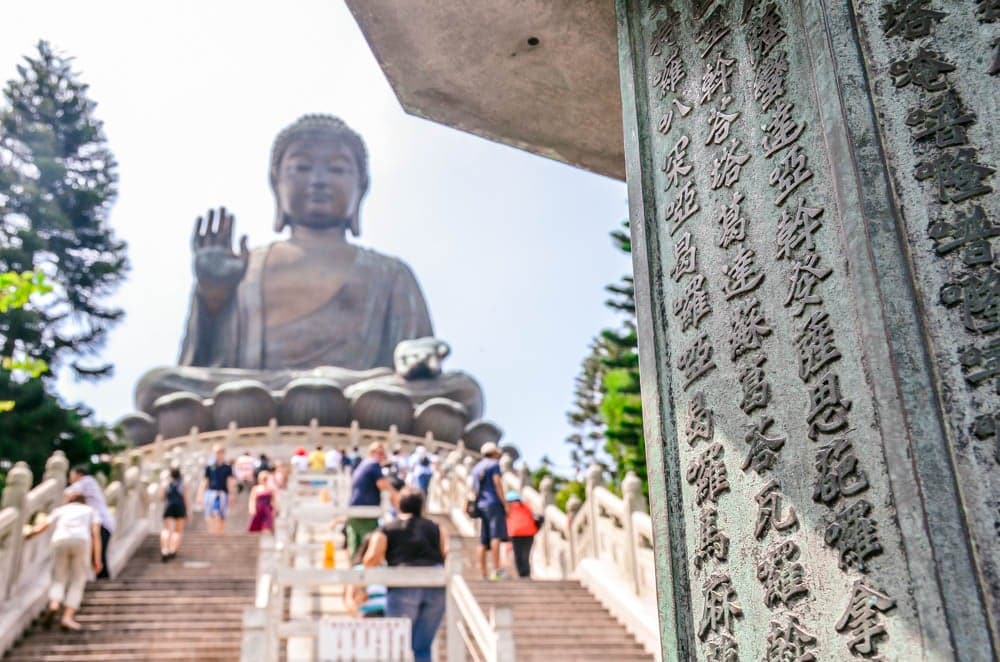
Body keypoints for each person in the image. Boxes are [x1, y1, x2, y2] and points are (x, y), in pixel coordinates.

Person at [363, 488, 448, 662]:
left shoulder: (386, 529)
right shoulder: (437, 527)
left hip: (403, 587)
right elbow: (448, 553)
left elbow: (370, 558)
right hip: (435, 587)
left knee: (396, 645)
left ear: (399, 505)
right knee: (423, 647)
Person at [28, 493, 102, 631]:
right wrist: (97, 559)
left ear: (69, 500)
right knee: (77, 580)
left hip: (60, 539)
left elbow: (43, 526)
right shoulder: (90, 511)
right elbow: (95, 535)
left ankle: (54, 603)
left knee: (58, 578)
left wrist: (29, 534)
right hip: (81, 541)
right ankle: (67, 617)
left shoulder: (62, 509)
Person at [65, 465, 114, 580]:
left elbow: (67, 493)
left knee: (98, 554)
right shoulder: (90, 483)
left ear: (79, 474)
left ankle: (103, 580)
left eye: (71, 475)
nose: (70, 478)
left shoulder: (87, 481)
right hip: (101, 523)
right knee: (96, 554)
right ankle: (103, 579)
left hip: (101, 523)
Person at [347, 442, 395, 557]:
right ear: (372, 453)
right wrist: (396, 495)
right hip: (367, 512)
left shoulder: (363, 464)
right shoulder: (374, 464)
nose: (383, 456)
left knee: (355, 547)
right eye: (381, 453)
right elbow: (382, 484)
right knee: (368, 547)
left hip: (353, 509)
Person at [471, 443, 509, 580]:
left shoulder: (476, 468)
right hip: (493, 503)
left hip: (481, 505)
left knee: (483, 540)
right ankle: (497, 570)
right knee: (495, 536)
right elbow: (497, 483)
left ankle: (482, 573)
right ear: (494, 453)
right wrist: (505, 503)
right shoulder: (494, 465)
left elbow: (473, 489)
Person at [344, 533, 387, 618]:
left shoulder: (388, 570)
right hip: (368, 616)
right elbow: (349, 600)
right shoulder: (358, 570)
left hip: (388, 615)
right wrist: (358, 616)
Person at [197, 445, 235, 534]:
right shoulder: (209, 467)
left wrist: (231, 495)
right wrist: (200, 495)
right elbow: (205, 481)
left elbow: (229, 482)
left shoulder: (227, 467)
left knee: (222, 515)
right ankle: (212, 533)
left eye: (220, 452)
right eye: (216, 452)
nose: (218, 454)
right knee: (210, 514)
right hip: (211, 493)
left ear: (223, 453)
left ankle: (220, 533)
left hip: (222, 493)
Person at [505, 490, 539, 578]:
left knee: (518, 555)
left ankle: (522, 574)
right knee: (526, 555)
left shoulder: (507, 507)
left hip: (515, 533)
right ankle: (526, 573)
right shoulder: (526, 505)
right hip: (529, 532)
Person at [160, 468, 187, 562]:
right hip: (180, 507)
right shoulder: (182, 484)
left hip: (169, 507)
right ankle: (172, 549)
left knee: (166, 530)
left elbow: (161, 497)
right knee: (177, 531)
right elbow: (185, 498)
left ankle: (164, 550)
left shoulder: (166, 484)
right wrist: (187, 511)